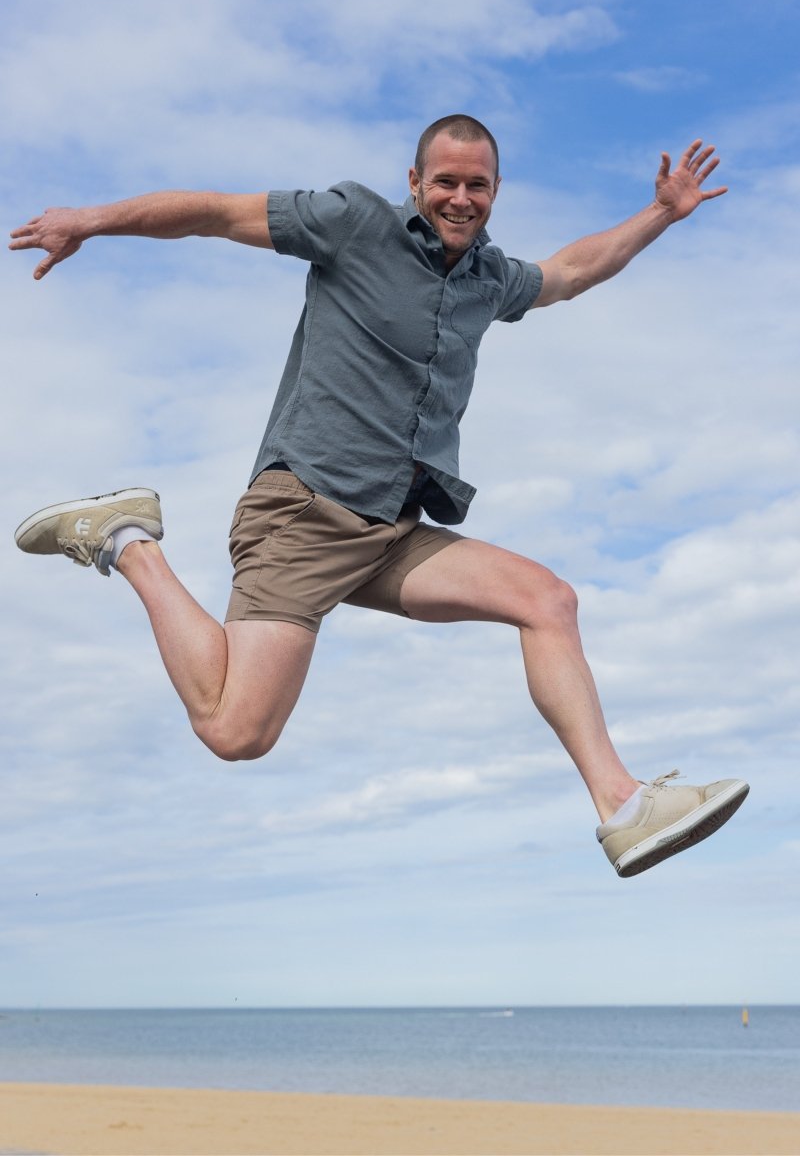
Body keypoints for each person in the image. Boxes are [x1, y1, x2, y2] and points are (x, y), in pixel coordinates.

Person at [10, 115, 748, 877]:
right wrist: (89, 222)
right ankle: (128, 539)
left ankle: (621, 804)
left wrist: (661, 213)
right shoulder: (353, 221)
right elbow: (215, 213)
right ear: (415, 183)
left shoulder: (489, 279)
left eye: (477, 185)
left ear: (495, 191)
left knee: (547, 599)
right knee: (237, 733)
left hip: (392, 526)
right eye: (446, 183)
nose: (460, 199)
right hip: (305, 510)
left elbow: (571, 271)